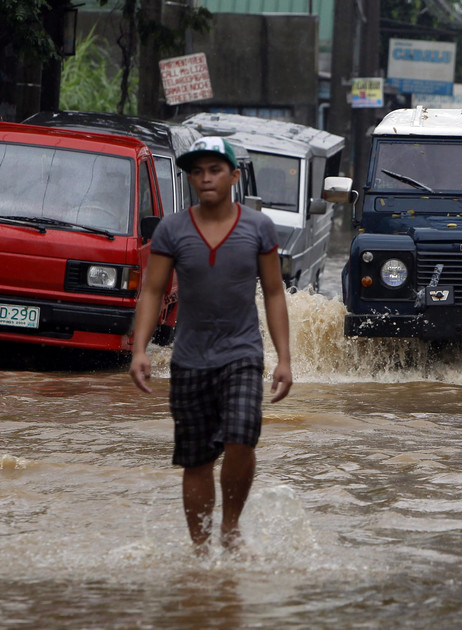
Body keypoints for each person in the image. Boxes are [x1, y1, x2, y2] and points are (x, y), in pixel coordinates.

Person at [129, 136, 292, 555]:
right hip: (189, 359)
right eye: (197, 171)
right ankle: (200, 549)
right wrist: (140, 350)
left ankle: (230, 528)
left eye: (215, 170)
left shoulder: (259, 228)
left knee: (242, 439)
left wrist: (284, 359)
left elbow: (274, 292)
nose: (205, 178)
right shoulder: (172, 229)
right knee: (196, 459)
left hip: (242, 354)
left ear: (234, 176)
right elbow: (152, 290)